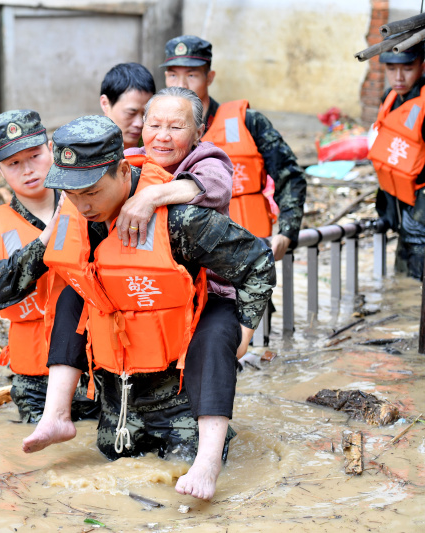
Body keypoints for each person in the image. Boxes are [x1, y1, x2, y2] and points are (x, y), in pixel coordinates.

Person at [22, 113, 275, 501]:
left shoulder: (179, 218)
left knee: (179, 493)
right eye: (71, 193)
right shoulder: (73, 216)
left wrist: (245, 329)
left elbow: (258, 261)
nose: (82, 204)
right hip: (122, 395)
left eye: (91, 191)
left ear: (123, 172)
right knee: (72, 292)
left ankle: (207, 459)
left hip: (180, 383)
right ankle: (56, 415)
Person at [0, 110, 205, 422]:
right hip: (37, 381)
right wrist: (44, 244)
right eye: (13, 163)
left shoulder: (95, 202)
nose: (27, 170)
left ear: (51, 150)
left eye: (35, 156)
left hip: (100, 369)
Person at [161, 35, 307, 262]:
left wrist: (287, 232)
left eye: (191, 75)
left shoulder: (248, 122)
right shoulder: (157, 134)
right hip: (186, 263)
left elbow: (290, 175)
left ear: (209, 77)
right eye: (172, 75)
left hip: (247, 258)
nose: (181, 85)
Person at [368, 37, 425, 280]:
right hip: (401, 194)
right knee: (403, 275)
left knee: (417, 249)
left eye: (407, 68)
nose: (398, 77)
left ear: (422, 65)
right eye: (391, 69)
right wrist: (387, 202)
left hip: (422, 197)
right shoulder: (389, 99)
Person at [100, 63, 156, 150]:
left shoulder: (157, 148)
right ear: (105, 103)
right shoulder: (83, 150)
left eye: (145, 114)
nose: (140, 124)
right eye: (131, 113)